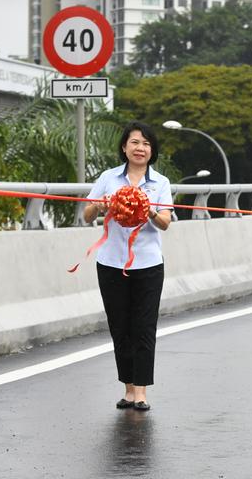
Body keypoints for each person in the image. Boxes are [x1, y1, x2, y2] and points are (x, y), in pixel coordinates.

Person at [83, 121, 173, 412]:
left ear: (152, 151)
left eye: (146, 144)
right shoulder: (108, 178)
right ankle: (129, 389)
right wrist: (101, 206)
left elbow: (165, 223)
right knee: (120, 327)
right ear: (124, 147)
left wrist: (148, 209)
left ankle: (142, 392)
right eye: (135, 142)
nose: (140, 148)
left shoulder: (160, 183)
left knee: (143, 327)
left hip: (148, 264)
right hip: (111, 262)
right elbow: (86, 214)